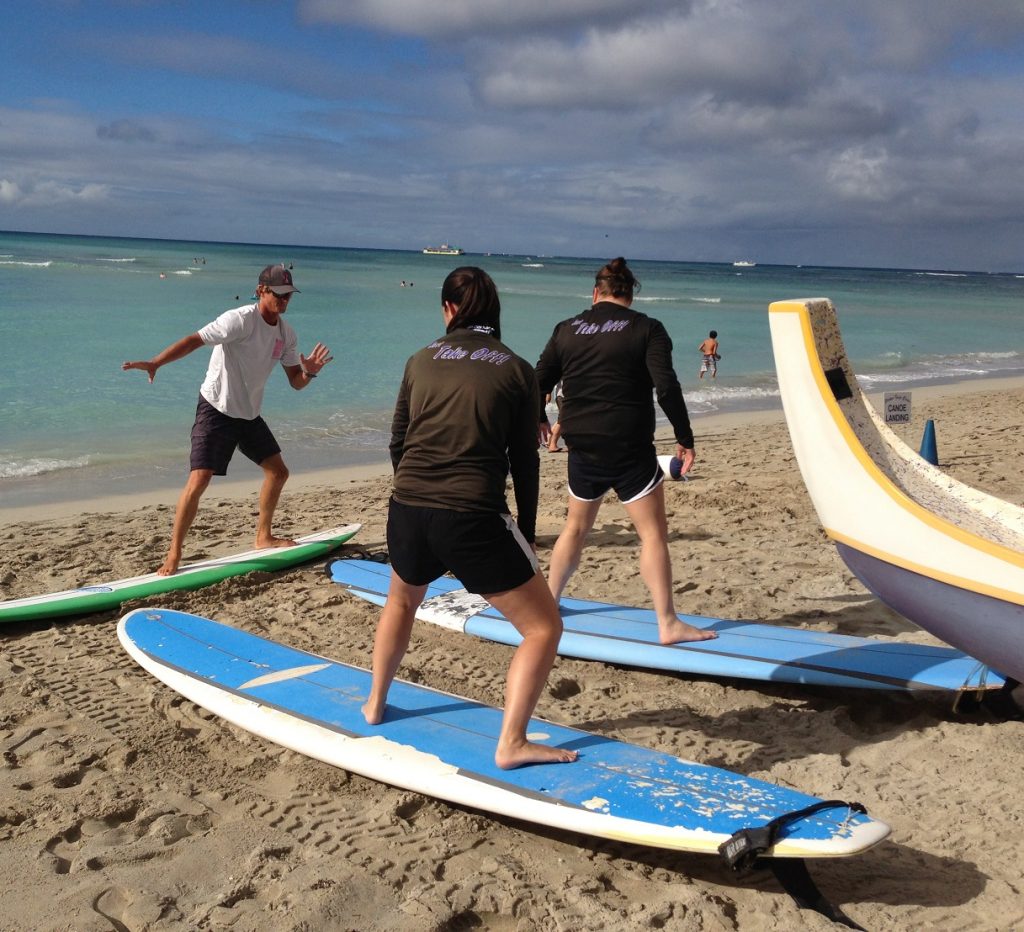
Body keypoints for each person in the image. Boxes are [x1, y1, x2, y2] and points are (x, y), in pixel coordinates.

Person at [362, 267, 577, 770]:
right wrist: (524, 531)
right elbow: (524, 461)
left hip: (408, 506)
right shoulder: (518, 370)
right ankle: (512, 743)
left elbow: (398, 441)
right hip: (473, 516)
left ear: (448, 310)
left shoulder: (419, 360)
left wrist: (416, 494)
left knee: (402, 600)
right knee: (544, 629)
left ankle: (374, 704)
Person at [535, 257, 717, 646]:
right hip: (629, 445)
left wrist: (539, 416)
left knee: (576, 527)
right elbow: (666, 386)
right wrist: (685, 436)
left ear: (595, 292)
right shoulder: (647, 329)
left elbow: (539, 379)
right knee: (652, 535)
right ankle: (667, 623)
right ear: (630, 295)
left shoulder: (566, 329)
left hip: (582, 444)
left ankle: (549, 604)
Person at [122, 264, 333, 575]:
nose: (285, 302)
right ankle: (174, 554)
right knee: (199, 479)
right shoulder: (239, 320)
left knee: (278, 472)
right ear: (262, 290)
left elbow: (295, 382)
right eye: (279, 295)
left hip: (248, 415)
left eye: (289, 297)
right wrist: (156, 362)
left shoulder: (287, 334)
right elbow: (195, 340)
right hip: (216, 409)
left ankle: (263, 536)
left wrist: (309, 373)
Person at [546, 380, 566, 452]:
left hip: (564, 395)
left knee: (561, 419)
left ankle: (549, 440)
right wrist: (548, 393)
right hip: (562, 395)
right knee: (563, 419)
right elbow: (552, 378)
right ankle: (552, 445)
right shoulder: (562, 368)